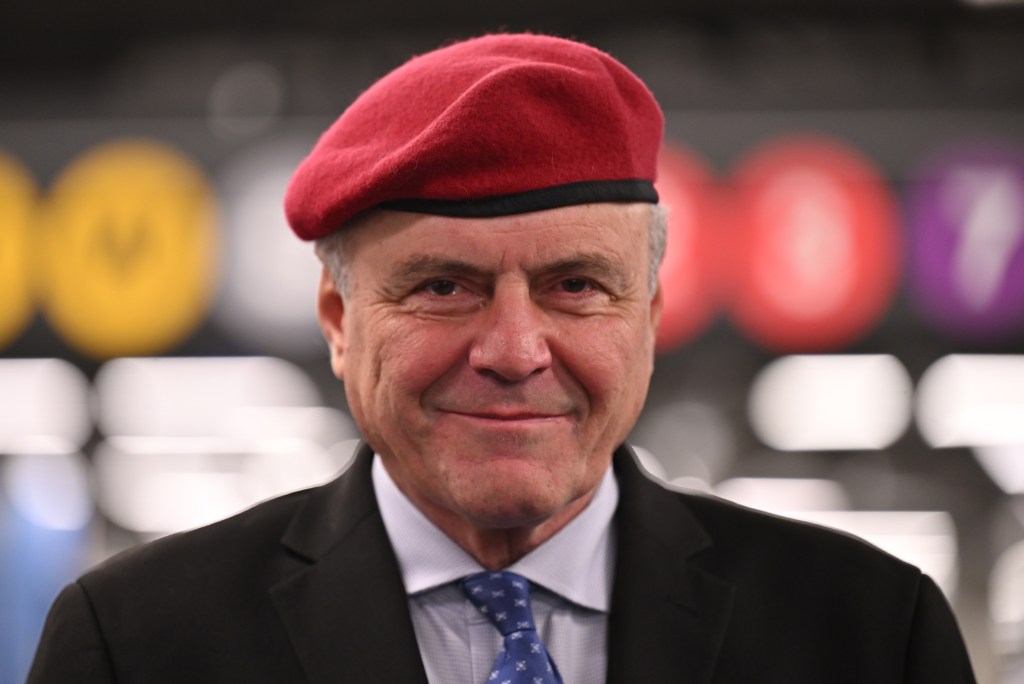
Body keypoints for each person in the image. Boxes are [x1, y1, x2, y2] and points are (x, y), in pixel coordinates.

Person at [28, 33, 976, 684]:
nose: (516, 353)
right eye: (444, 286)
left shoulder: (867, 632)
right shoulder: (138, 646)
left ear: (648, 318)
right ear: (339, 321)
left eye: (576, 286)